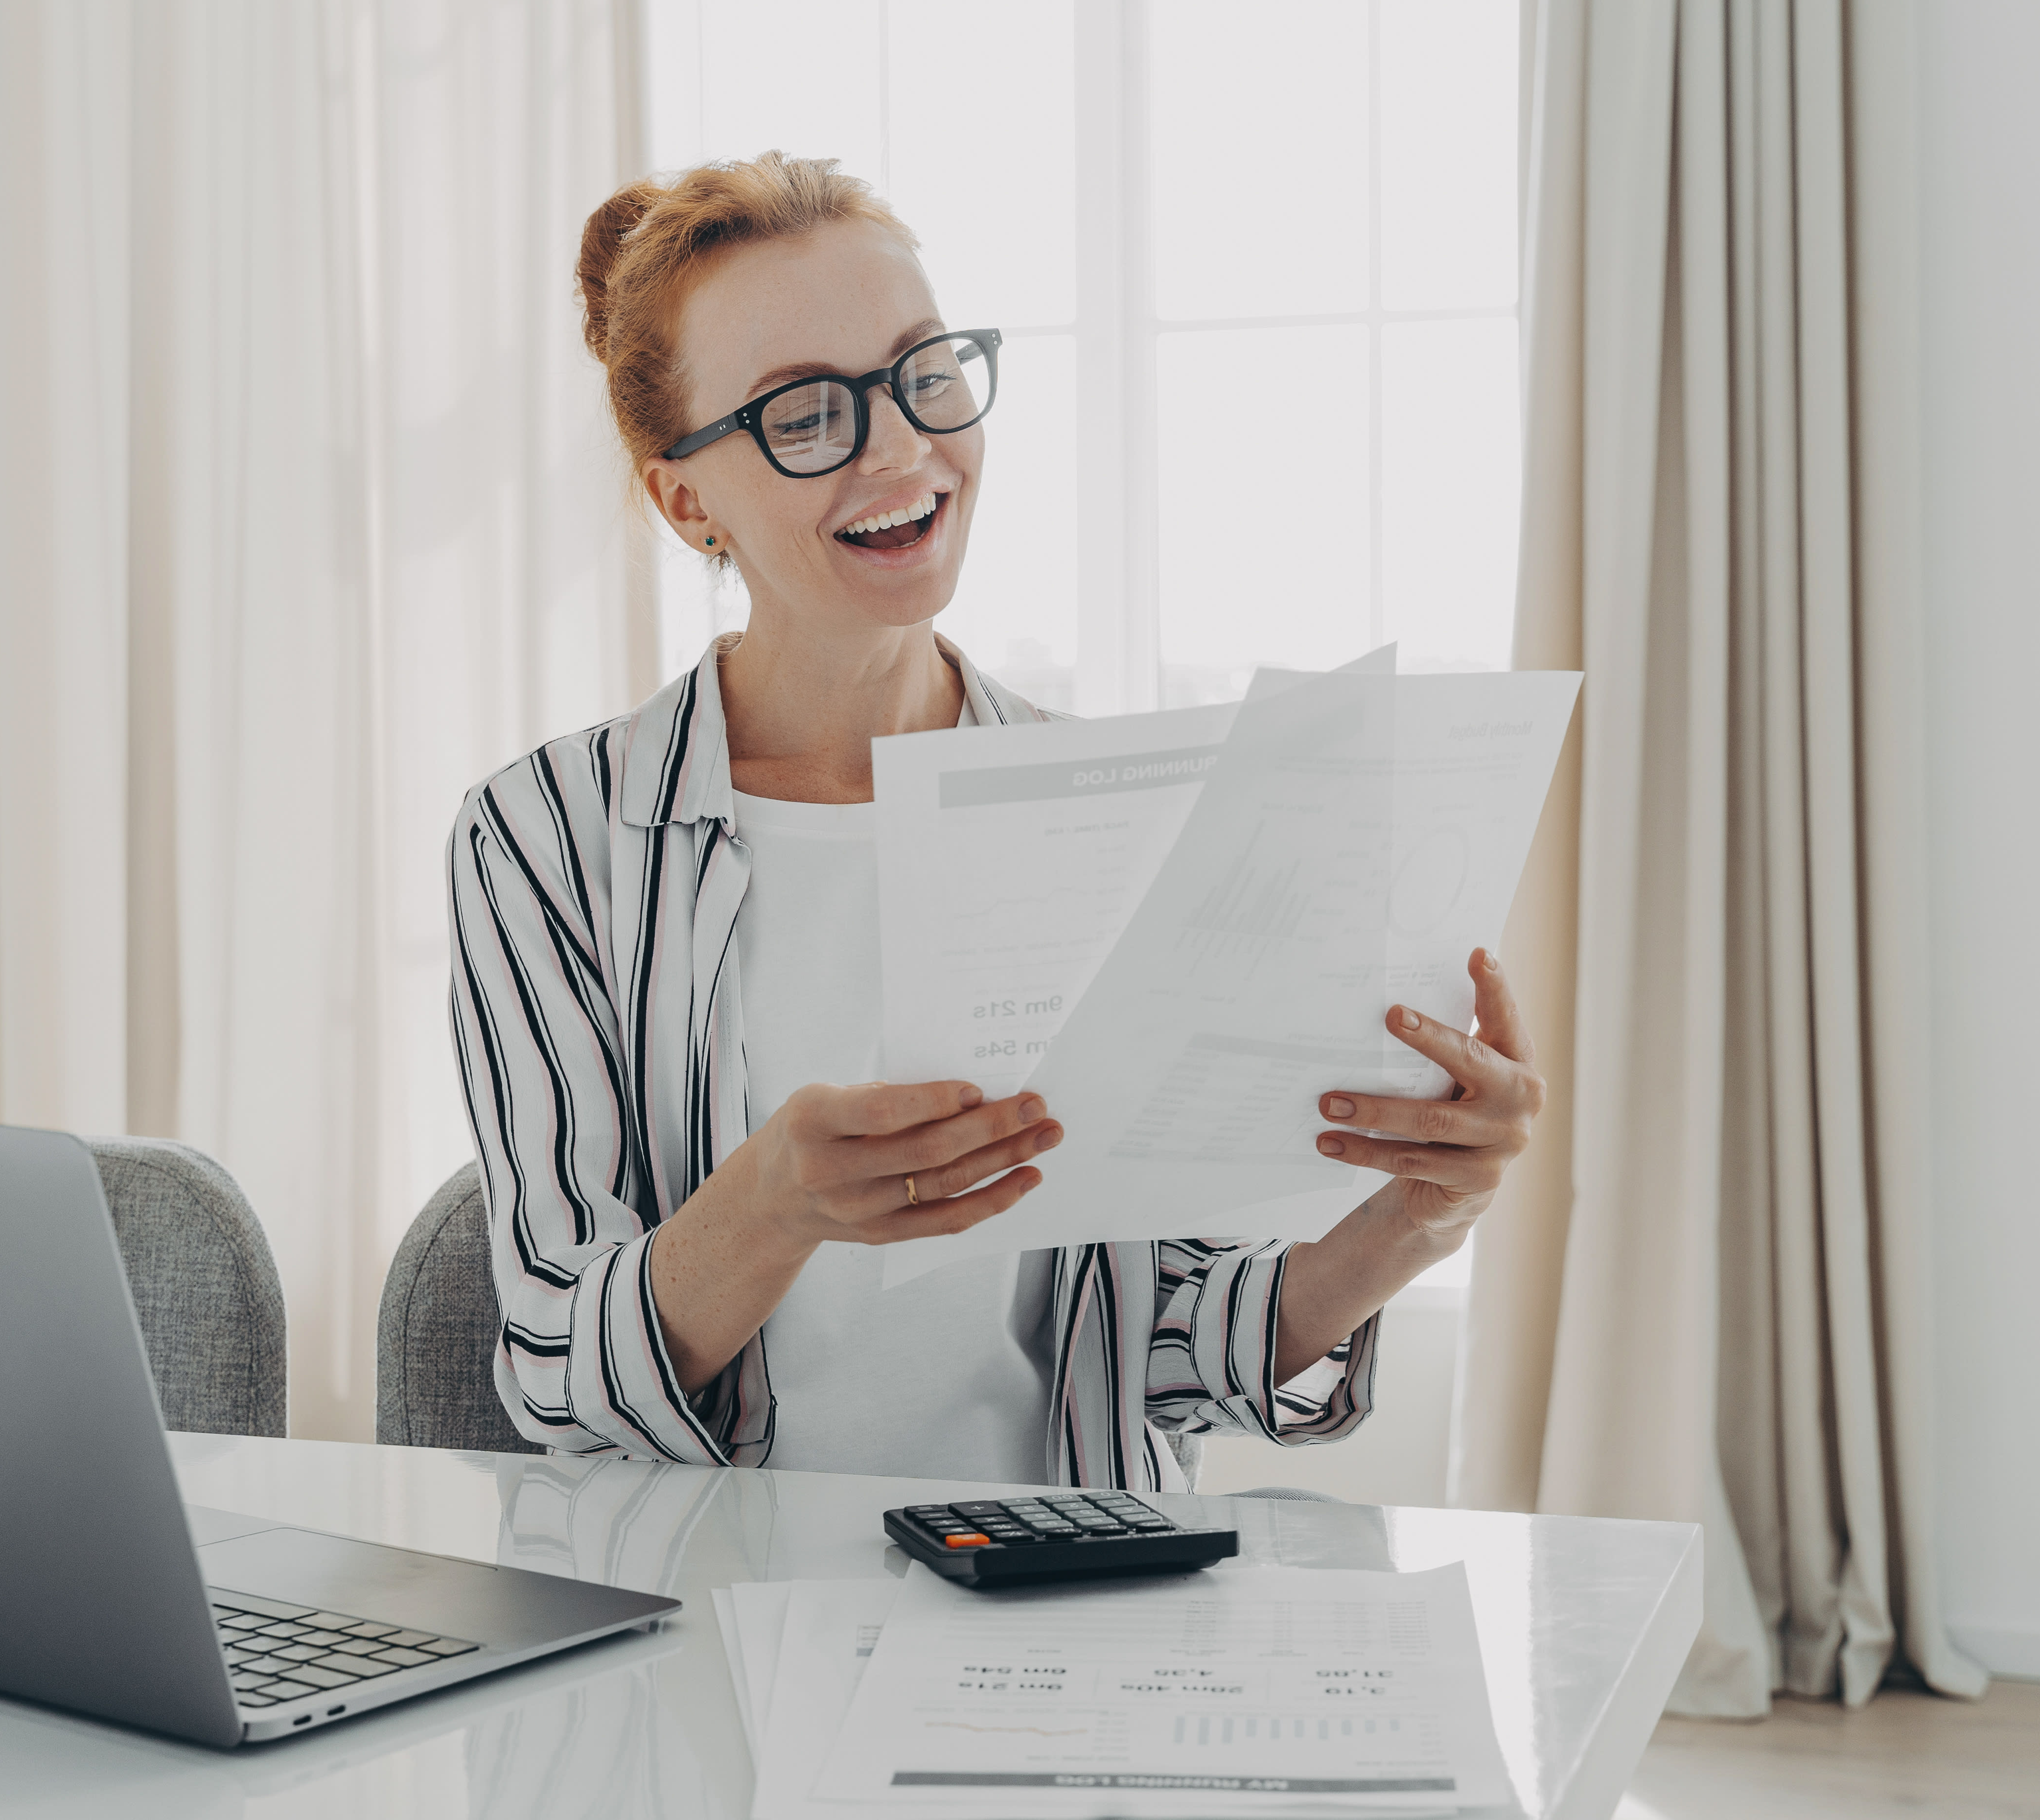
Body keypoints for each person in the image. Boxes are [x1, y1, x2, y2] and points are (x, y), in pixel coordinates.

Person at [448, 153, 1544, 1488]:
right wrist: (773, 1206)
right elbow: (562, 1378)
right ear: (685, 498)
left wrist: (1412, 1223)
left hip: (1066, 1610)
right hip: (713, 1624)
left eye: (925, 374)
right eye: (802, 415)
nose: (903, 450)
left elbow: (1171, 1350)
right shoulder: (547, 841)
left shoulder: (1122, 810)